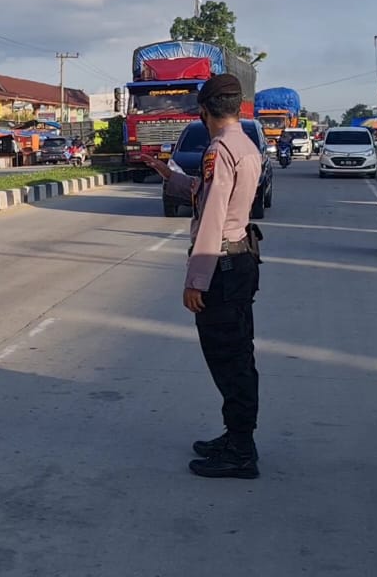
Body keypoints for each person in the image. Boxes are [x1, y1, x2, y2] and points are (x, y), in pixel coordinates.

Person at [139, 74, 264, 480]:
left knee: (228, 359)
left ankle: (241, 449)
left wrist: (196, 279)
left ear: (204, 110)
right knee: (237, 355)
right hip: (240, 259)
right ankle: (235, 437)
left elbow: (212, 216)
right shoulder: (245, 144)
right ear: (239, 107)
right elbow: (215, 197)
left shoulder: (219, 149)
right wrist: (170, 175)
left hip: (222, 266)